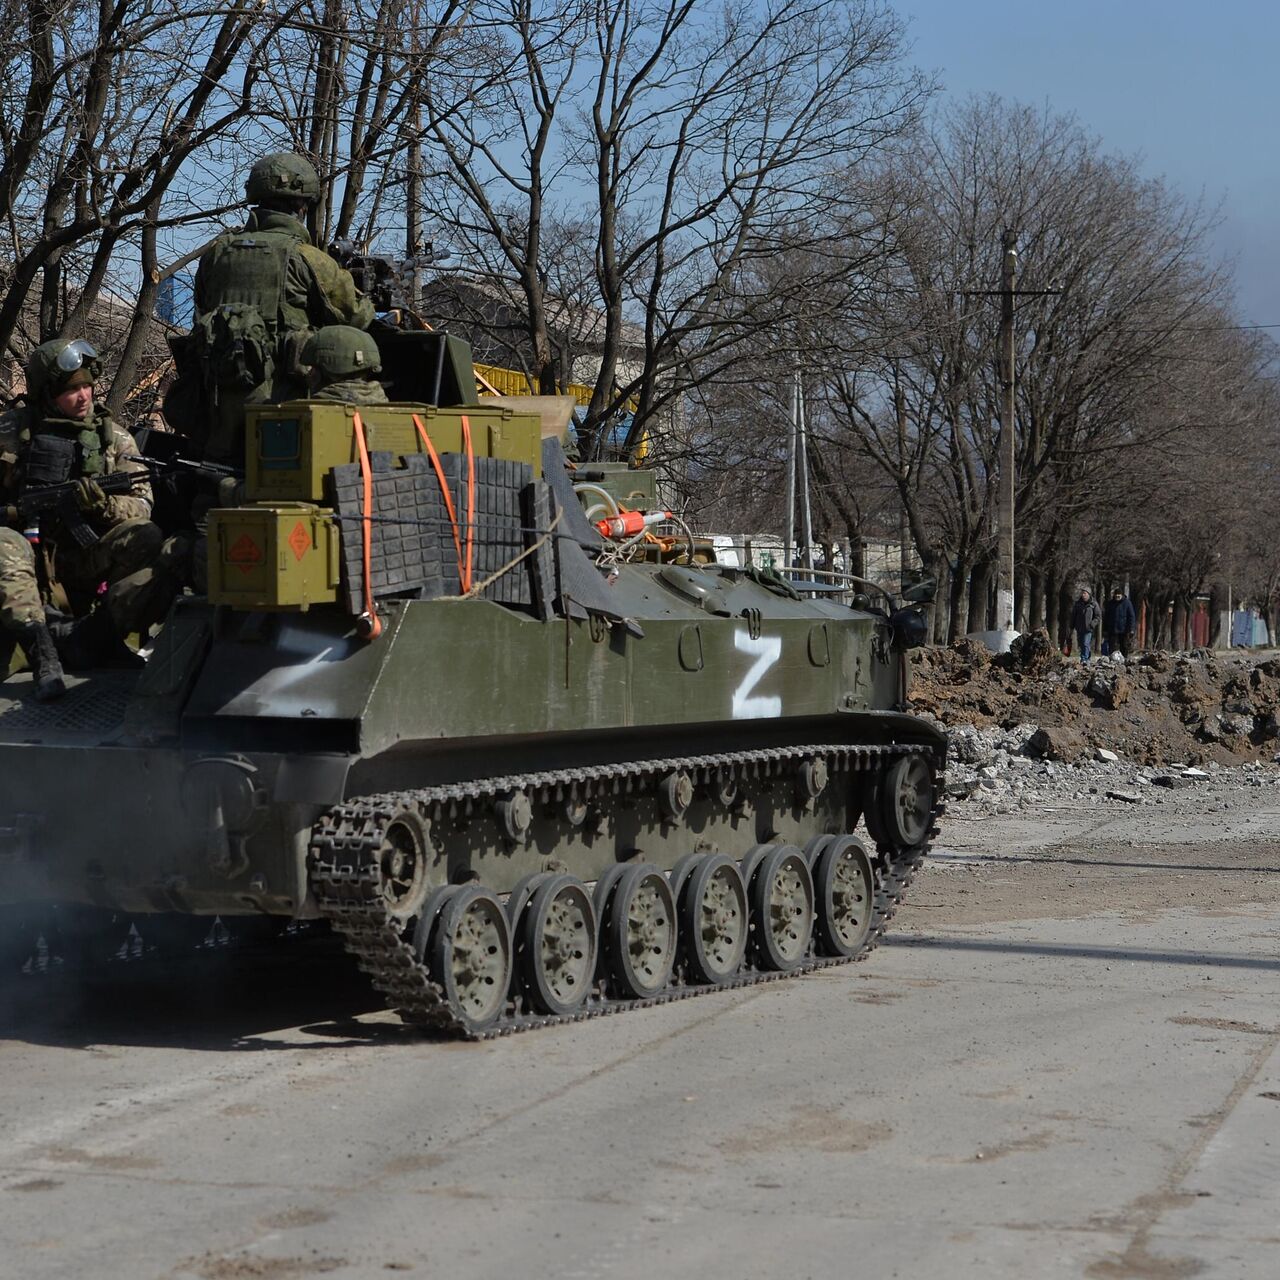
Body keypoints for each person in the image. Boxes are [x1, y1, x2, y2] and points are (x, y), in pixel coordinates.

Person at [0, 339, 187, 699]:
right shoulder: (11, 432)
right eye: (71, 390)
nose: (84, 396)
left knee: (145, 536)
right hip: (24, 561)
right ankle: (44, 655)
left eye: (87, 386)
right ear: (47, 394)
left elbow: (142, 506)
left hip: (84, 558)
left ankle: (97, 638)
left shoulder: (112, 438)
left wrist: (101, 506)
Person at [171, 152, 375, 462]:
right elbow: (358, 317)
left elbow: (202, 306)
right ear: (303, 205)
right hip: (282, 415)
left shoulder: (216, 254)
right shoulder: (308, 258)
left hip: (217, 412)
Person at [303, 325, 389, 405]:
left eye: (313, 368)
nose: (309, 374)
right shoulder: (389, 410)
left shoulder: (306, 415)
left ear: (331, 372)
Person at [1103, 588, 1138, 657]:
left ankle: (1124, 659)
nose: (1117, 598)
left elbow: (1131, 617)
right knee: (1112, 646)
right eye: (1116, 596)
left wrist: (1131, 629)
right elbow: (1106, 617)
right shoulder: (1110, 604)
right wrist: (1105, 629)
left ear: (1122, 595)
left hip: (1124, 629)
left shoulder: (1127, 603)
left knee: (1124, 646)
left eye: (1119, 596)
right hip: (1112, 629)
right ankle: (1112, 659)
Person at [1070, 588, 1100, 663]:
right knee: (1082, 645)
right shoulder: (1078, 604)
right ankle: (1088, 658)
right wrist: (1072, 626)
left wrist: (1092, 624)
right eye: (1082, 593)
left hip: (1088, 628)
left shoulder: (1093, 604)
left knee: (1085, 643)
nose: (1083, 595)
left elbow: (1098, 616)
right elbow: (1073, 616)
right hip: (1079, 627)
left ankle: (1084, 659)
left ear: (1089, 594)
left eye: (1085, 593)